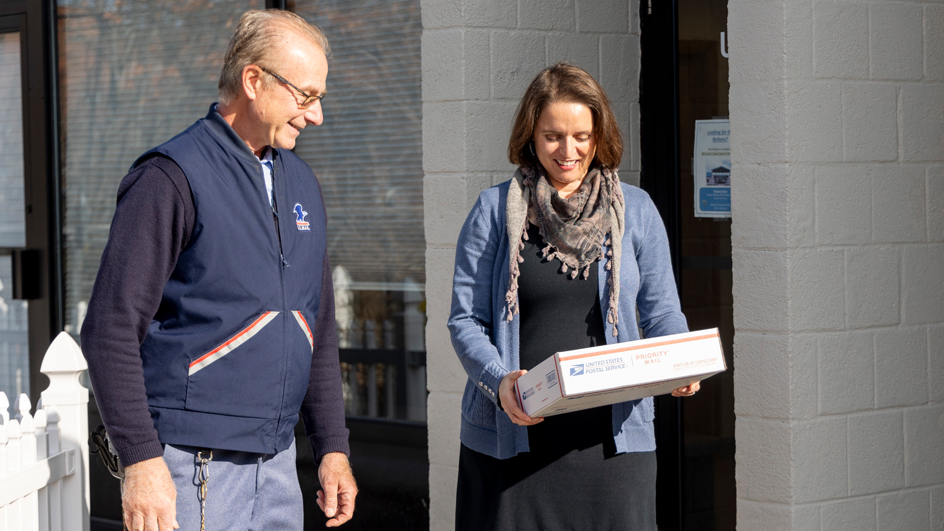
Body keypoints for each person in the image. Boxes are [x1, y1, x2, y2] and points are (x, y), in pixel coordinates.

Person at [81, 10, 356, 531]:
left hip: (277, 466)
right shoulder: (170, 178)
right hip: (192, 465)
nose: (316, 115)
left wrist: (332, 447)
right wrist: (140, 459)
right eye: (307, 95)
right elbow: (109, 329)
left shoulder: (302, 184)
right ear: (254, 81)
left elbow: (314, 327)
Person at [447, 62, 700, 530]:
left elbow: (662, 310)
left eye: (582, 135)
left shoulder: (637, 209)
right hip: (514, 440)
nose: (569, 150)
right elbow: (465, 321)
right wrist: (501, 382)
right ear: (530, 135)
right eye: (552, 136)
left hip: (613, 449)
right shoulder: (492, 210)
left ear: (599, 134)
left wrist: (680, 359)